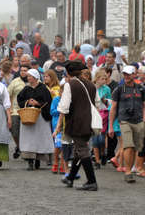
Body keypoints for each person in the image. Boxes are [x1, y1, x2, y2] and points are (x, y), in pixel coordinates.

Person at [56, 61, 99, 191]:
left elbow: (64, 107)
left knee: (82, 149)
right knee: (78, 150)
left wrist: (58, 126)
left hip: (77, 122)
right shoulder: (91, 85)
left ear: (68, 73)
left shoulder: (70, 85)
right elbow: (97, 103)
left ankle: (92, 181)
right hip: (89, 121)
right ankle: (70, 177)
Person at [109, 65, 145, 183]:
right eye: (124, 74)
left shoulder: (141, 89)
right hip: (124, 121)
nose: (126, 76)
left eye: (128, 74)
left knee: (137, 147)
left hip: (139, 121)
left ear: (134, 75)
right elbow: (113, 108)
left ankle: (132, 168)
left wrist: (144, 120)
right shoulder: (119, 89)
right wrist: (110, 126)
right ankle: (128, 172)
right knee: (128, 145)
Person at [17, 69, 53, 170]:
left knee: (38, 139)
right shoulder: (26, 88)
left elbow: (48, 102)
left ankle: (38, 159)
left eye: (30, 76)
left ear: (35, 77)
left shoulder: (43, 88)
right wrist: (28, 101)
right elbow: (19, 99)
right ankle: (30, 161)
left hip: (40, 117)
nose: (28, 78)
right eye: (27, 76)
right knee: (29, 139)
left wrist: (38, 104)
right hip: (28, 116)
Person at [7, 65, 29, 159]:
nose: (23, 72)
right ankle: (19, 146)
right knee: (14, 131)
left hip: (29, 111)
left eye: (25, 70)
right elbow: (7, 94)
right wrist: (10, 108)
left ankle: (26, 149)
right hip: (16, 110)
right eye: (21, 70)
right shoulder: (15, 82)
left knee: (27, 132)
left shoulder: (33, 81)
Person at [92, 69, 112, 169]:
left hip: (103, 114)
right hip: (94, 113)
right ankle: (97, 161)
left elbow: (110, 102)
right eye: (102, 78)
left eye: (105, 79)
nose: (104, 80)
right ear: (97, 78)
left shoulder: (107, 89)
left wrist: (106, 101)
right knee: (95, 138)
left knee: (102, 138)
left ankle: (103, 152)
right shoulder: (92, 87)